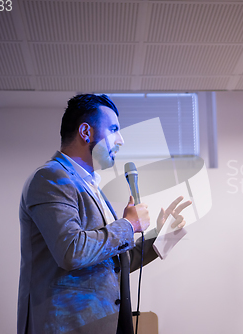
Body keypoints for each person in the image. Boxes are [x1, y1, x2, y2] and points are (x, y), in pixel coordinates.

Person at [17, 94, 190, 334]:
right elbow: (71, 251)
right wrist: (128, 225)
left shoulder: (91, 187)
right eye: (113, 129)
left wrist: (162, 235)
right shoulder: (51, 178)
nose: (121, 140)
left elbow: (112, 265)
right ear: (85, 132)